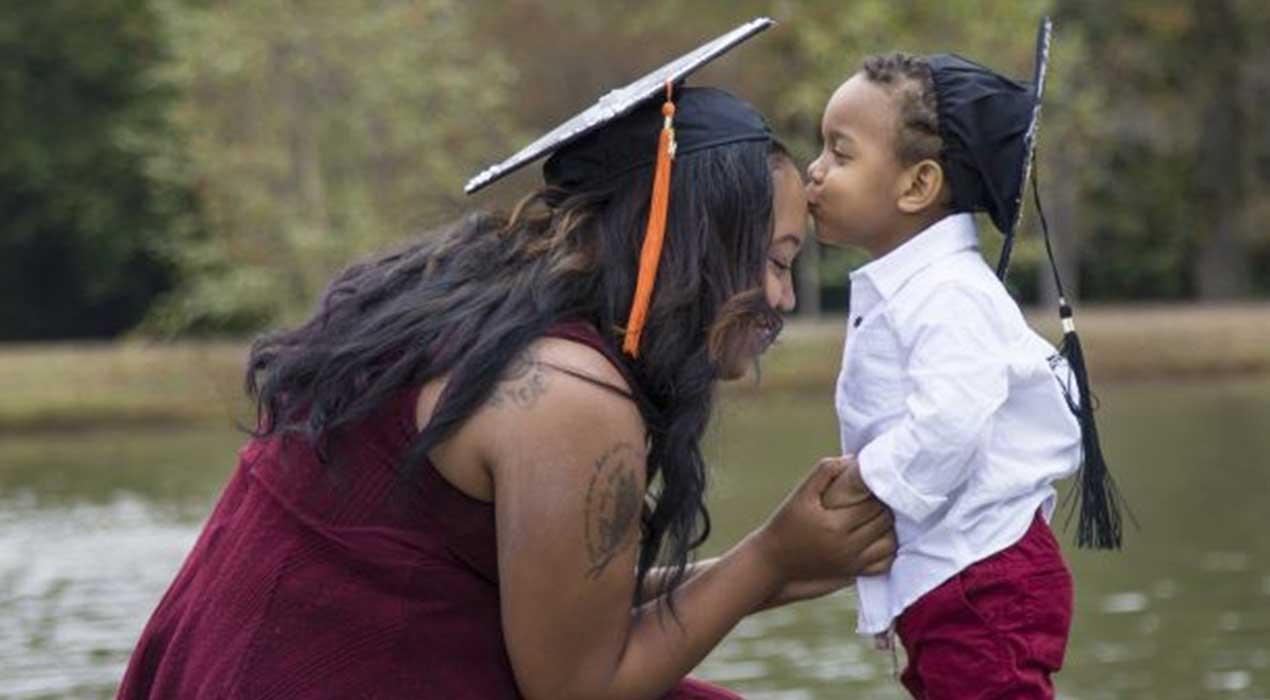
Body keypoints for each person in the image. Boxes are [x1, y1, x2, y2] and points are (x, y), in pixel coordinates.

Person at [118, 21, 897, 700]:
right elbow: (575, 684)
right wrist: (766, 561)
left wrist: (781, 567)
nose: (784, 298)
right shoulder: (570, 396)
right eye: (774, 259)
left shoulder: (482, 319)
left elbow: (559, 616)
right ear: (693, 246)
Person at [808, 19, 1122, 700]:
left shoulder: (950, 293)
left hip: (984, 579)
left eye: (839, 153)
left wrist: (865, 478)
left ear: (918, 185)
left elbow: (950, 423)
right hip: (956, 575)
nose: (814, 170)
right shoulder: (914, 288)